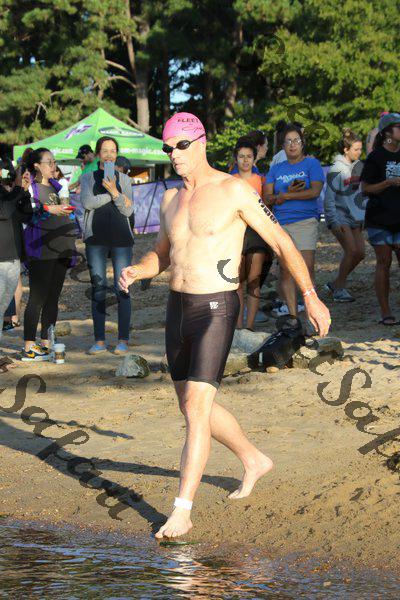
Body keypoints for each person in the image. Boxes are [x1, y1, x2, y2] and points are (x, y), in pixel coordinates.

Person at [119, 112, 331, 540]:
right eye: (167, 148)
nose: (173, 154)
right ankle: (253, 459)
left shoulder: (233, 190)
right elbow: (163, 254)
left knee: (197, 409)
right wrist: (138, 270)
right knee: (189, 404)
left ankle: (182, 510)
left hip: (216, 307)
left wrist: (310, 295)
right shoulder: (170, 199)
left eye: (180, 145)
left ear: (200, 143)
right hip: (177, 308)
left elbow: (281, 241)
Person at [265, 124, 325, 321]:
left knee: (307, 270)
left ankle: (311, 317)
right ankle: (293, 318)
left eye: (296, 140)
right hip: (281, 224)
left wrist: (287, 195)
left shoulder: (311, 164)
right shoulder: (276, 169)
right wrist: (279, 197)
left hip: (305, 222)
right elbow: (267, 197)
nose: (292, 145)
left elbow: (315, 191)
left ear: (302, 143)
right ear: (283, 145)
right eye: (288, 141)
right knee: (285, 271)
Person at [80, 137, 134, 354]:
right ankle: (100, 340)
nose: (109, 154)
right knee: (98, 288)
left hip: (122, 239)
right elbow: (87, 202)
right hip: (96, 239)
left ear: (117, 153)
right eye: (105, 151)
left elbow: (128, 210)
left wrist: (115, 192)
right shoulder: (87, 177)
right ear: (98, 154)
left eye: (113, 150)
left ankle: (123, 340)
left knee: (123, 287)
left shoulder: (125, 179)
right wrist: (113, 195)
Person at [22, 148, 77, 361]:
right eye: (49, 162)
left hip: (61, 247)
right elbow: (27, 213)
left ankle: (46, 342)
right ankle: (29, 345)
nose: (54, 166)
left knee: (53, 298)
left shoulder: (57, 186)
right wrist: (48, 209)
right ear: (37, 165)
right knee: (37, 297)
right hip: (41, 249)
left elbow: (64, 210)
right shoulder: (31, 187)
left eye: (54, 162)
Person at [361, 113, 400, 325]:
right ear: (387, 133)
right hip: (380, 218)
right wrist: (388, 183)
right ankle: (386, 313)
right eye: (398, 127)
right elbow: (365, 188)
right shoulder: (375, 157)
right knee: (384, 262)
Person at [232, 141, 273, 330]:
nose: (245, 160)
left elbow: (268, 210)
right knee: (237, 281)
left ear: (254, 158)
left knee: (254, 281)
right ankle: (239, 327)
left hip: (257, 232)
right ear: (236, 159)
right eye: (241, 156)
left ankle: (249, 327)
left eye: (249, 156)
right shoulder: (228, 181)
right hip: (236, 233)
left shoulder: (262, 181)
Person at [324, 129, 365, 302]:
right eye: (356, 149)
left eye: (360, 149)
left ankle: (336, 283)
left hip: (355, 217)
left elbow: (360, 194)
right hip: (340, 216)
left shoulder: (359, 167)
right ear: (346, 150)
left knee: (360, 253)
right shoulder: (337, 169)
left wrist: (362, 216)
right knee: (351, 250)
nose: (359, 152)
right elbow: (329, 198)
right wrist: (333, 221)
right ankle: (339, 289)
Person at [0, 161, 32, 370]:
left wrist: (25, 193)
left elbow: (25, 215)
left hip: (12, 257)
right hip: (2, 259)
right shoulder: (7, 194)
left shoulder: (7, 192)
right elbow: (4, 211)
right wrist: (19, 189)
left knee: (2, 307)